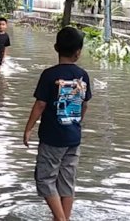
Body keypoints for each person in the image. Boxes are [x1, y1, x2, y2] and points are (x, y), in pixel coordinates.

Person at [23, 26, 92, 221]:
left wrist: (28, 129)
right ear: (78, 53)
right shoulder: (83, 76)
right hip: (73, 138)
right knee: (67, 180)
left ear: (55, 47)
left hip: (52, 138)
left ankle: (61, 220)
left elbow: (40, 104)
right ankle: (64, 218)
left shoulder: (49, 75)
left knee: (45, 179)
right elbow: (84, 104)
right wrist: (77, 124)